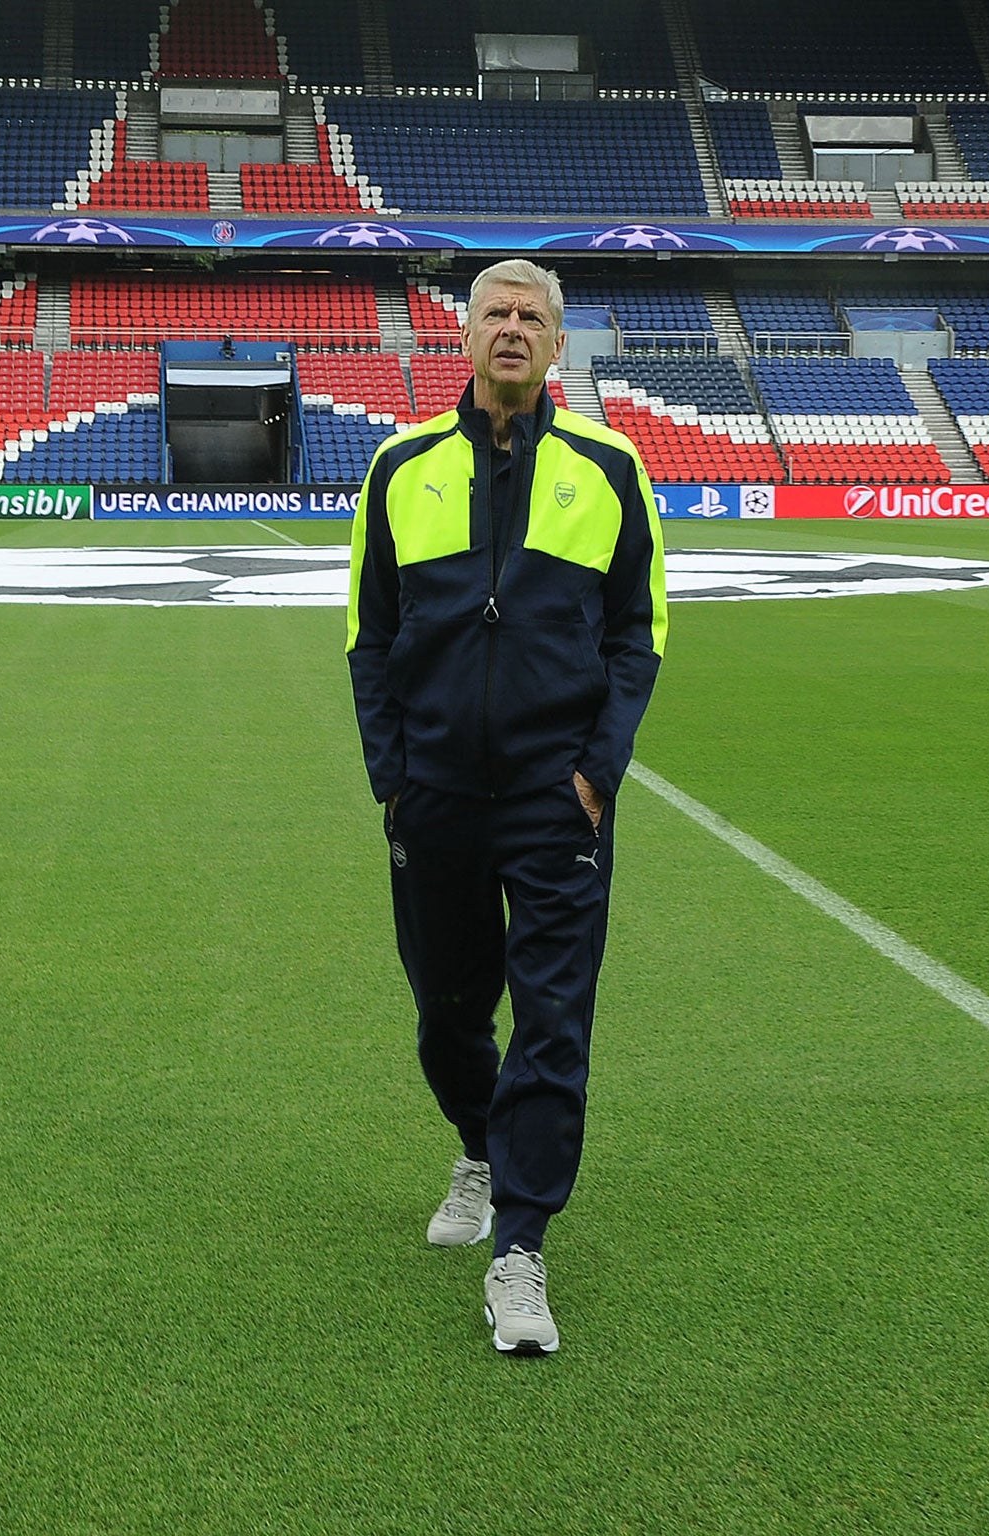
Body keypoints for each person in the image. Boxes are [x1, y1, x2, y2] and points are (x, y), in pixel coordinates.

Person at [345, 259, 667, 1355]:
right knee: (445, 1017)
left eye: (534, 316)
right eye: (497, 312)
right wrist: (392, 776)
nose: (514, 328)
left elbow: (638, 635)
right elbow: (368, 638)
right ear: (467, 334)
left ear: (558, 344)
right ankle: (478, 1149)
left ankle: (519, 1248)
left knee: (552, 1024)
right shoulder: (398, 467)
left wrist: (595, 774)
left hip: (553, 801)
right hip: (431, 796)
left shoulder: (610, 468)